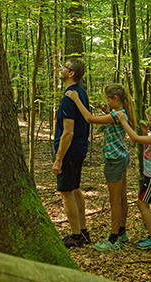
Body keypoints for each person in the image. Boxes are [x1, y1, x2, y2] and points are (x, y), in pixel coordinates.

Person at [65, 83, 134, 251]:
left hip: (115, 160)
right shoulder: (120, 113)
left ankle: (113, 239)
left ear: (115, 99)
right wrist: (106, 112)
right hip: (122, 156)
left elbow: (89, 119)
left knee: (114, 201)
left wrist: (76, 99)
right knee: (122, 197)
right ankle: (122, 232)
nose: (107, 102)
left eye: (108, 100)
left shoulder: (117, 114)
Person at [116, 106, 151, 250]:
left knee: (142, 204)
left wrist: (123, 122)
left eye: (149, 120)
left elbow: (135, 139)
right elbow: (148, 147)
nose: (148, 122)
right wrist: (145, 132)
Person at [53, 58, 91, 248]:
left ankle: (76, 236)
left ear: (71, 74)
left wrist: (58, 159)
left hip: (70, 151)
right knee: (75, 189)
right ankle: (83, 231)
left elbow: (68, 132)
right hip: (79, 149)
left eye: (64, 67)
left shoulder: (70, 96)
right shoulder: (81, 93)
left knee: (66, 192)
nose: (60, 69)